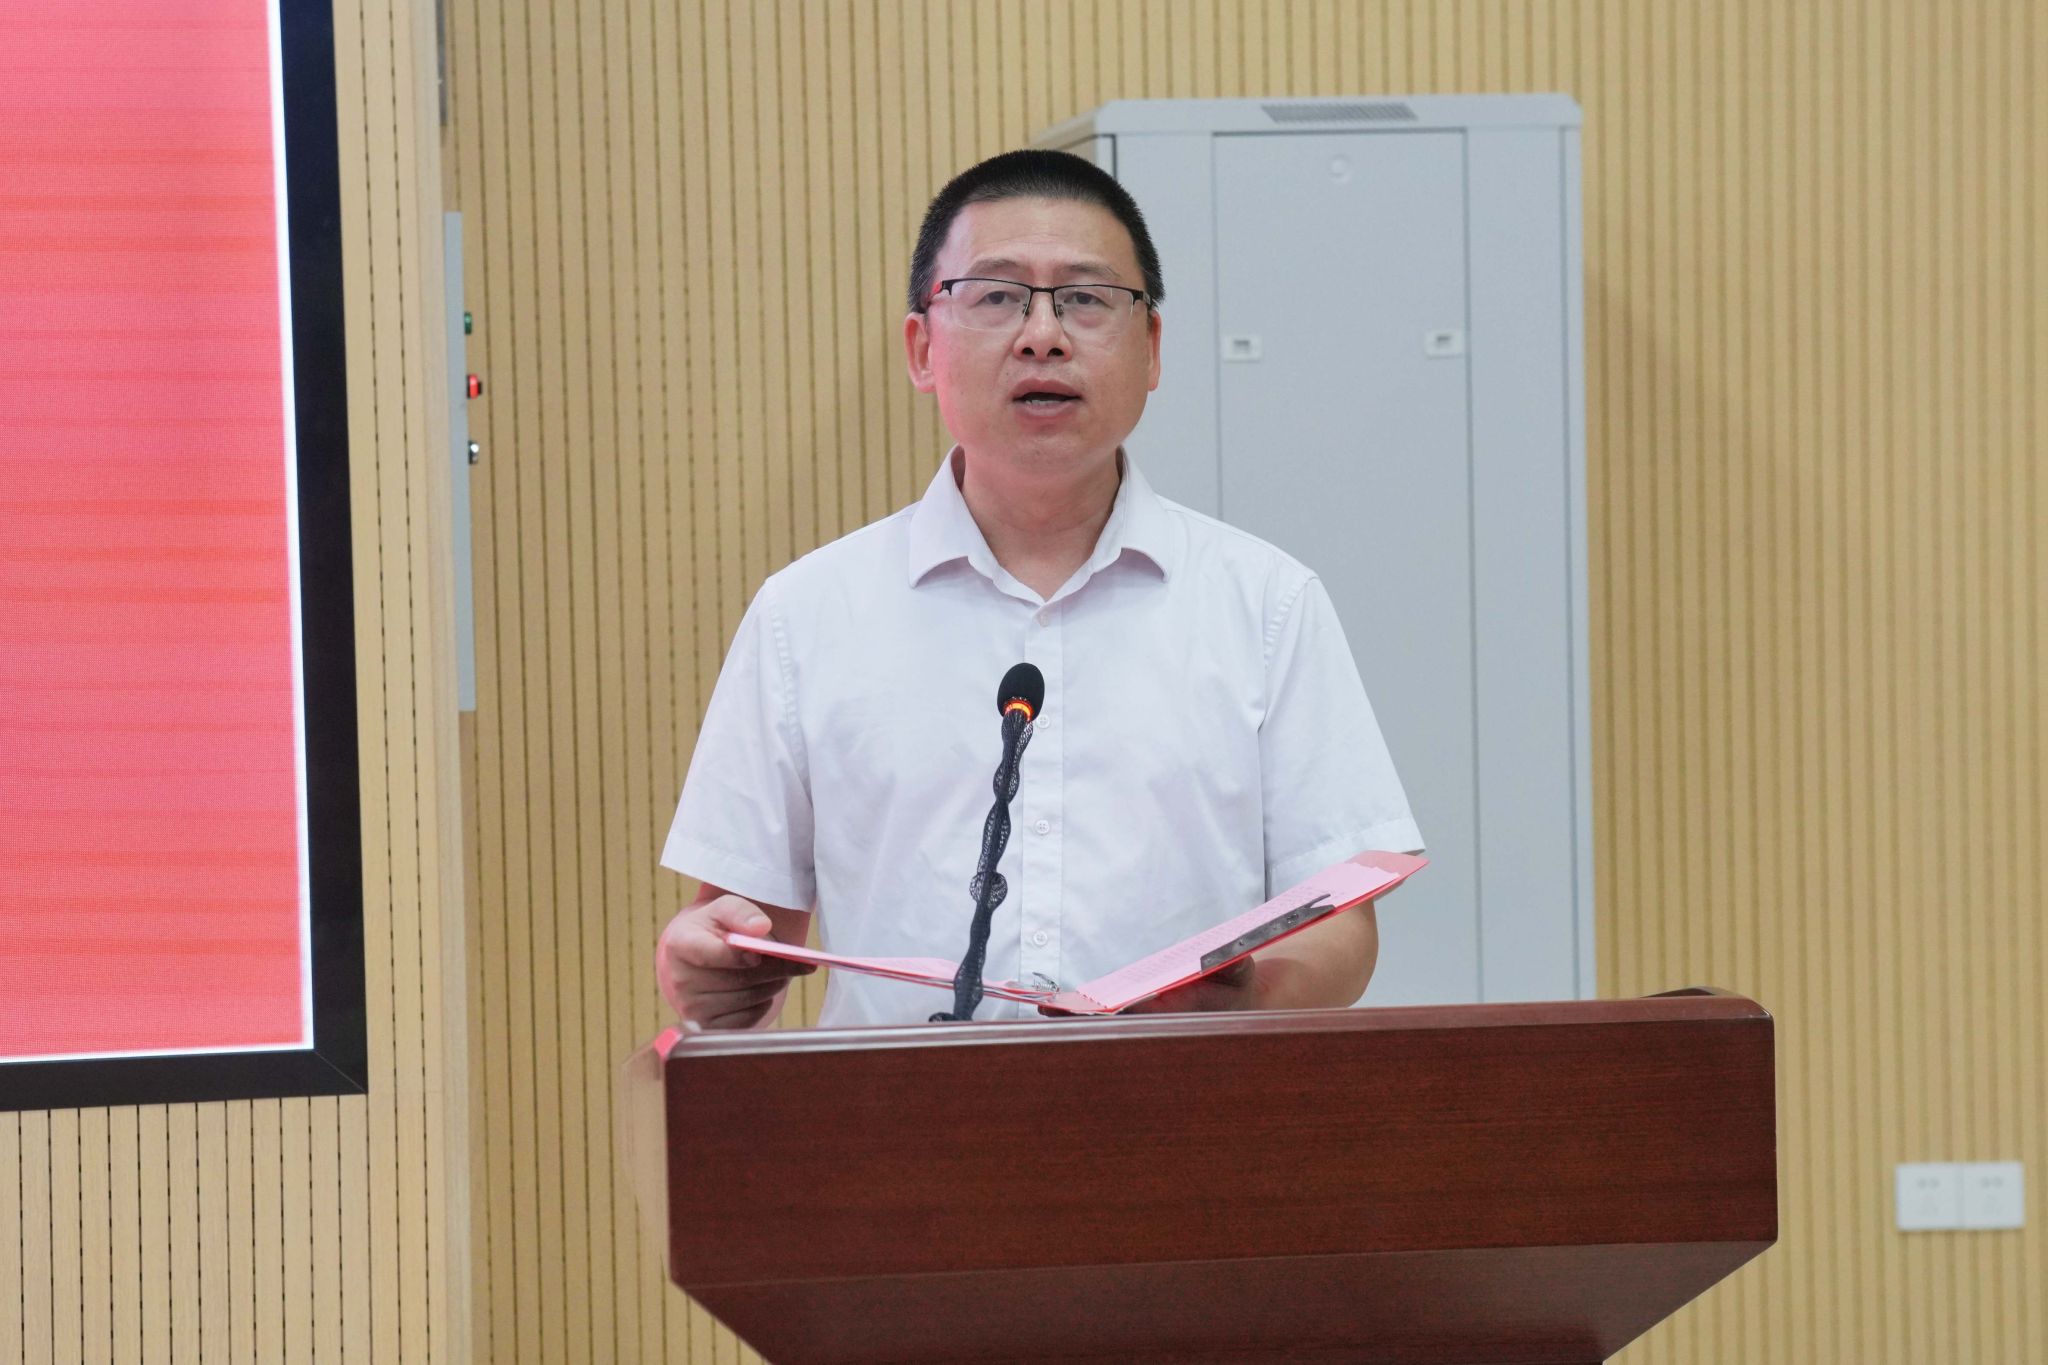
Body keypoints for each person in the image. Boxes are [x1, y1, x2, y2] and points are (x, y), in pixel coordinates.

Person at [655, 149, 1420, 1030]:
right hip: (900, 1111)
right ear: (922, 349)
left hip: (1185, 1103)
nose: (1043, 335)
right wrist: (705, 960)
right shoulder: (806, 613)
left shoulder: (1266, 604)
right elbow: (744, 924)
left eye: (1087, 299)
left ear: (1151, 350)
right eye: (996, 297)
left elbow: (1341, 921)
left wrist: (1248, 995)